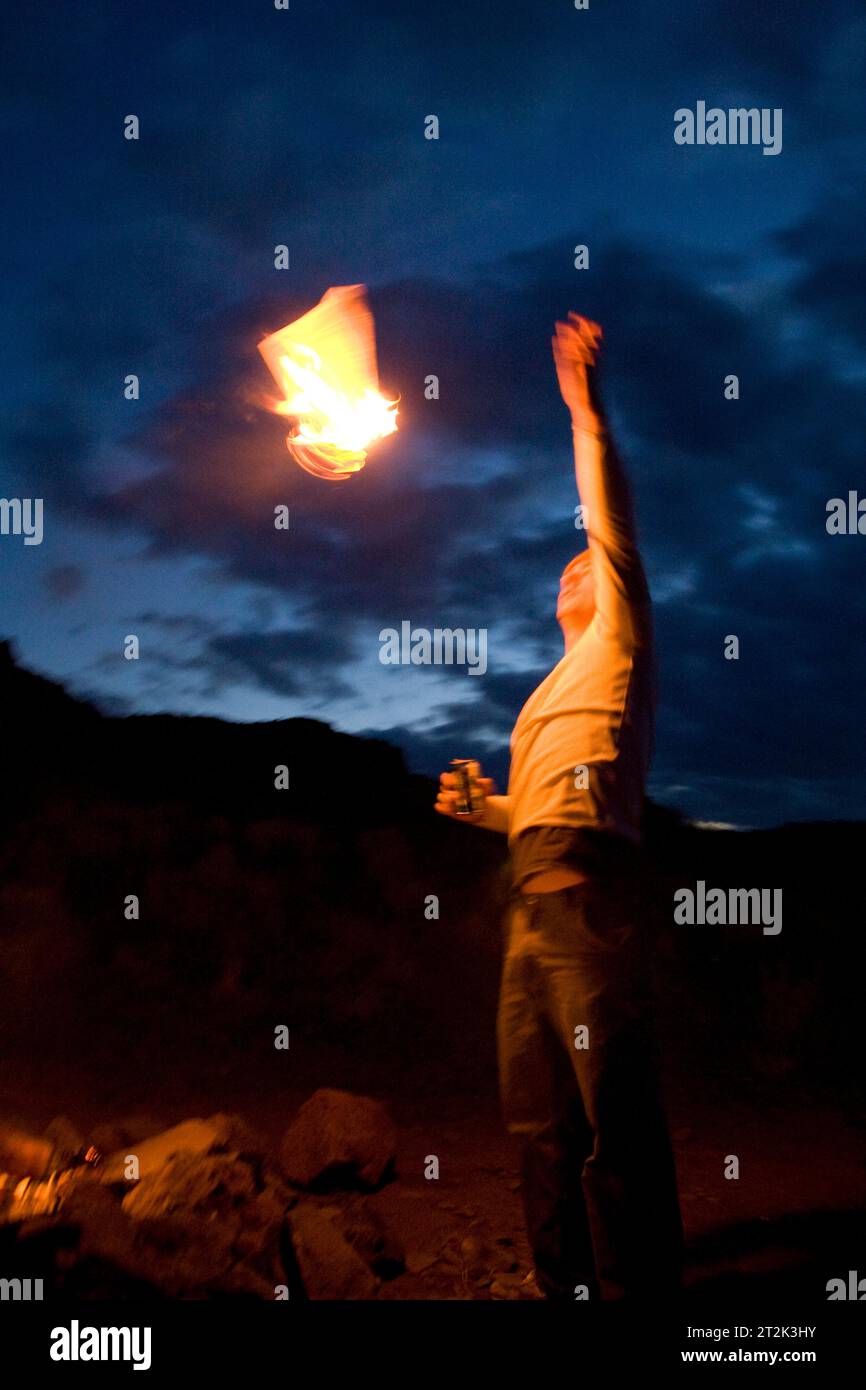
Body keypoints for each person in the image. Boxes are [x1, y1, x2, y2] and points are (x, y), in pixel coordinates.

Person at [435, 314, 683, 1301]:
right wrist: (481, 807)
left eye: (589, 560)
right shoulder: (546, 692)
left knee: (612, 1125)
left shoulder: (621, 640)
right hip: (526, 918)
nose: (577, 565)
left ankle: (638, 1292)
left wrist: (586, 411)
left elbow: (607, 515)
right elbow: (537, 808)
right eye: (566, 568)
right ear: (552, 606)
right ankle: (559, 1285)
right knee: (537, 1125)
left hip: (589, 914)